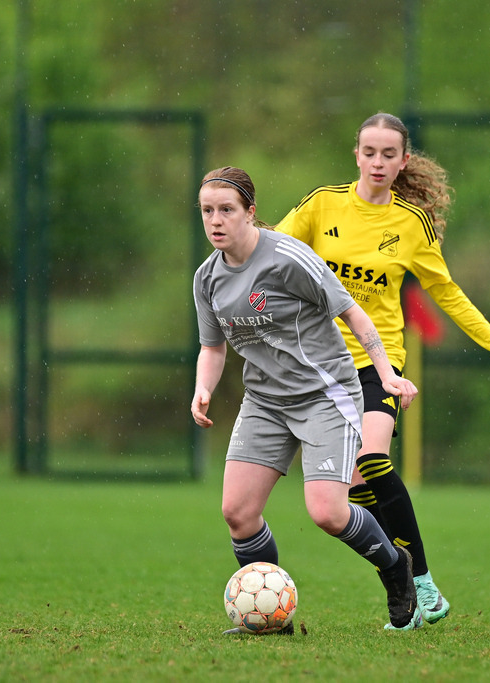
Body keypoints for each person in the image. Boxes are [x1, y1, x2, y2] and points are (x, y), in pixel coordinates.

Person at [276, 111, 490, 625]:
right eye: (369, 152)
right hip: (322, 367)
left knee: (373, 461)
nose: (377, 162)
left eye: (388, 154)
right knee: (353, 491)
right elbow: (273, 251)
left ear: (403, 162)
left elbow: (447, 292)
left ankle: (422, 586)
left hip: (380, 365)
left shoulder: (410, 224)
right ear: (356, 154)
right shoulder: (322, 205)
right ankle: (401, 579)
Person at [191, 166, 424, 631]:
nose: (215, 220)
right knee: (238, 513)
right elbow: (212, 347)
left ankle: (397, 568)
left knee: (327, 512)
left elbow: (354, 314)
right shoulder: (207, 278)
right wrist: (204, 388)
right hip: (264, 402)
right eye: (206, 211)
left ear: (250, 213)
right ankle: (269, 617)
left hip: (324, 395)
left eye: (226, 210)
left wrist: (386, 375)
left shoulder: (288, 258)